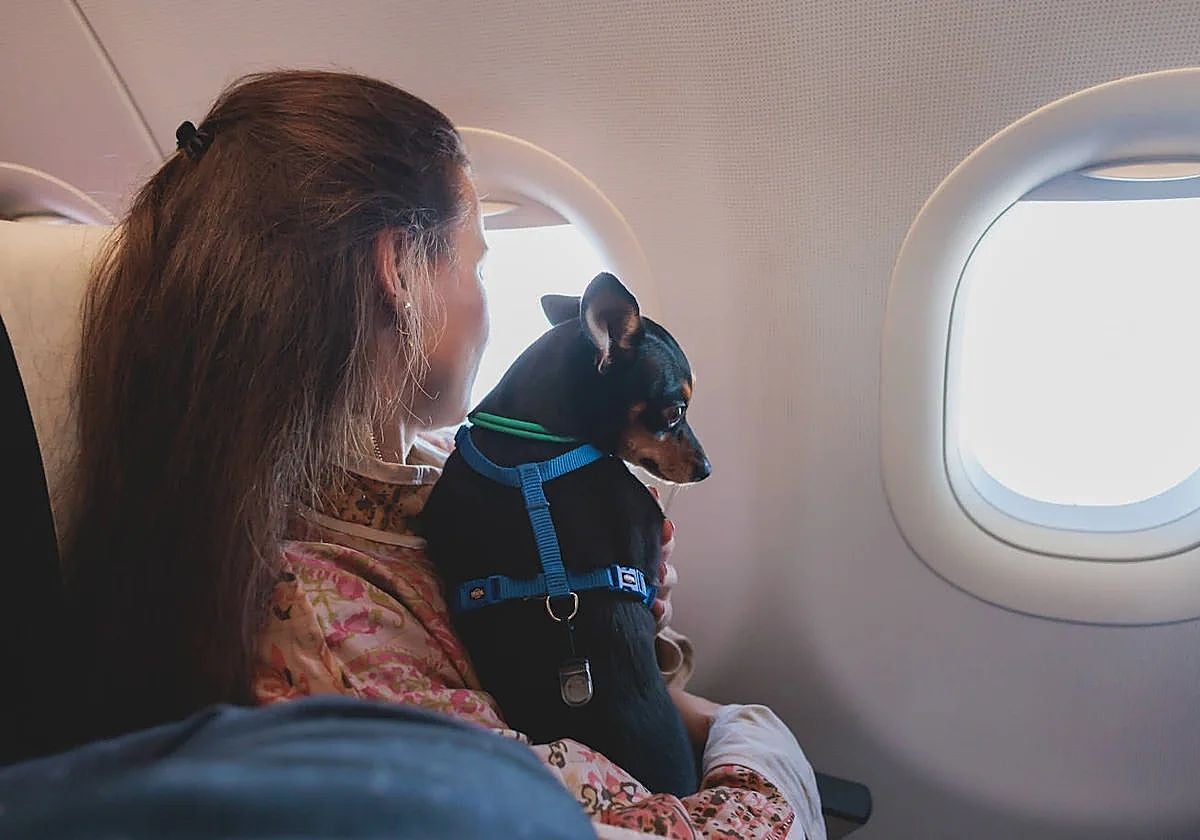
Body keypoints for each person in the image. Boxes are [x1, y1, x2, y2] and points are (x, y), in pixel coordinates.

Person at [66, 70, 824, 838]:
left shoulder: (434, 472)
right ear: (399, 270)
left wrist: (619, 622)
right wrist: (753, 733)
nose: (487, 294)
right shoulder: (327, 633)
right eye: (478, 262)